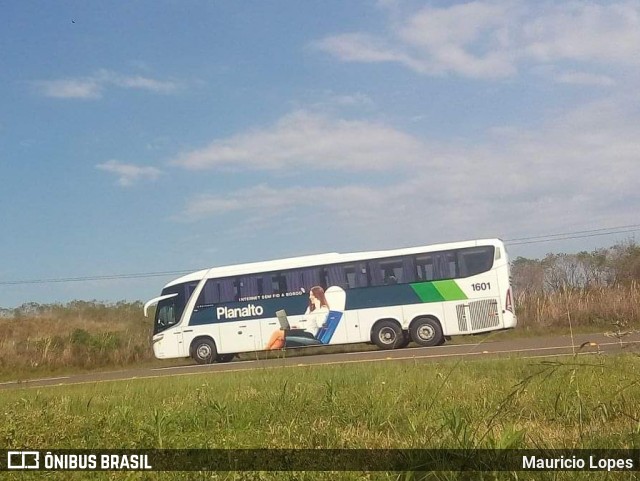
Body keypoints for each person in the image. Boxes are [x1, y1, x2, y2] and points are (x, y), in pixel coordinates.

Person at [265, 286, 329, 350]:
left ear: (318, 296)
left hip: (309, 335)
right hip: (303, 331)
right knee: (280, 340)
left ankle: (266, 348)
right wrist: (297, 326)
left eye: (312, 295)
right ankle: (268, 354)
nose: (310, 297)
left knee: (278, 332)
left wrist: (318, 308)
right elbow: (304, 321)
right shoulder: (310, 308)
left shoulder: (323, 309)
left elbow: (320, 324)